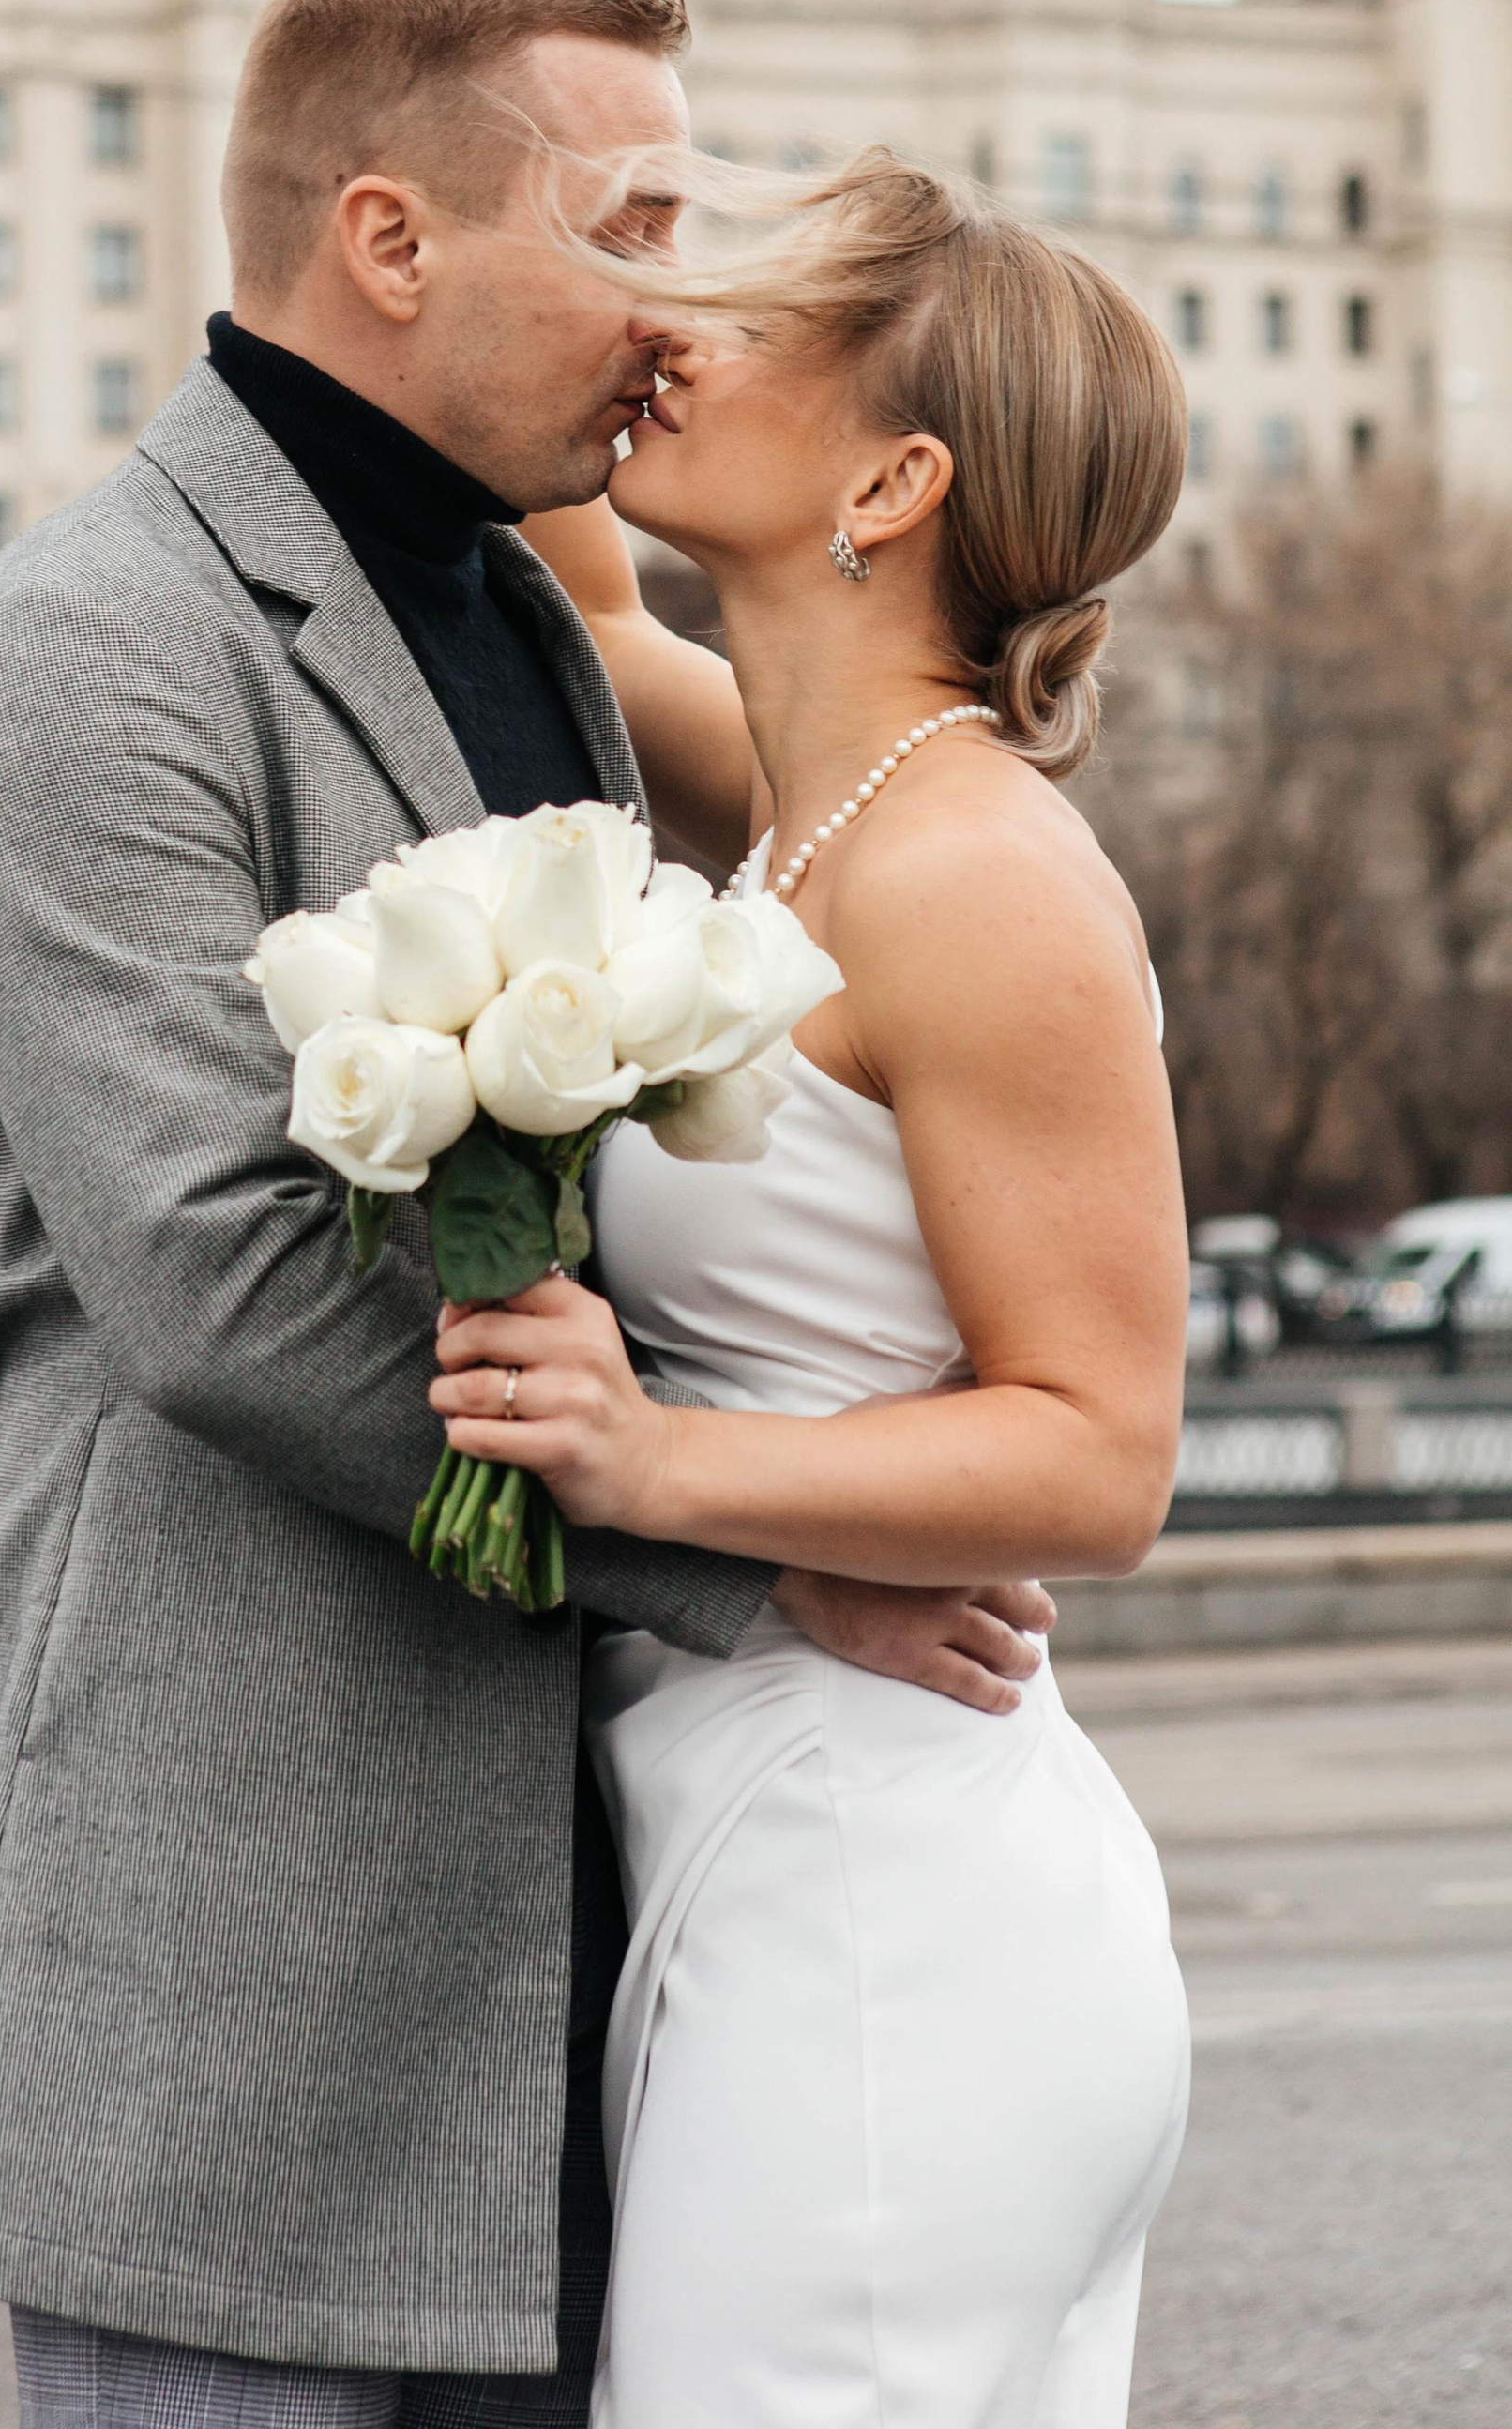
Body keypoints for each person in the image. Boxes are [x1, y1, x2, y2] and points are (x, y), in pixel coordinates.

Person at [0, 0, 1056, 2427]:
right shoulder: (83, 647)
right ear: (391, 240)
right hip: (235, 1959)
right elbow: (214, 1283)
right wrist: (755, 1551)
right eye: (629, 231)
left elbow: (895, 889)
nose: (674, 310)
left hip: (575, 1956)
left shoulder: (533, 605)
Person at [431, 148, 1194, 2422]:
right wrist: (603, 238)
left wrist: (651, 1455)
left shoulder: (968, 865)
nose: (680, 336)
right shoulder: (806, 803)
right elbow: (580, 583)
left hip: (895, 1914)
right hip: (788, 1843)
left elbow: (1101, 1445)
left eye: (756, 317)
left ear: (888, 473)